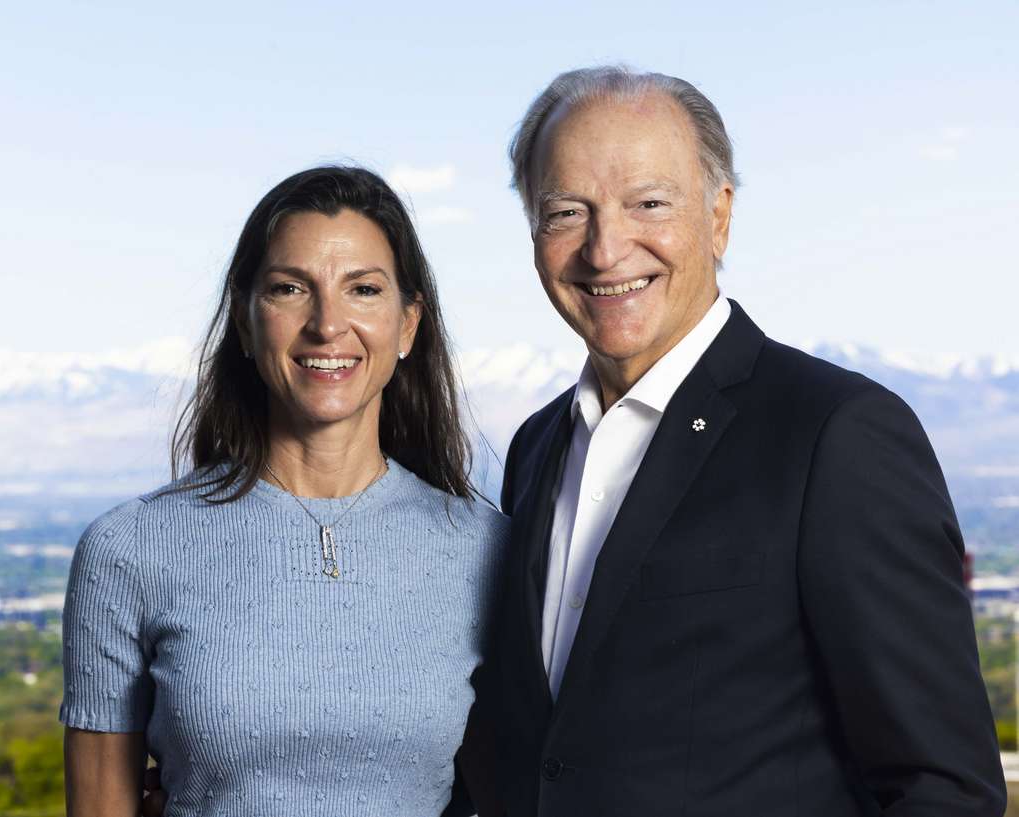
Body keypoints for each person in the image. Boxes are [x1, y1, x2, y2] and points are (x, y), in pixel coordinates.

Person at [484, 65, 1007, 815]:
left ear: (720, 216)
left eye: (649, 203)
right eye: (567, 211)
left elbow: (944, 788)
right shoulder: (536, 446)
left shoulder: (837, 434)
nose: (605, 249)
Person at [60, 165, 508, 816]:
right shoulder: (130, 550)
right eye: (290, 288)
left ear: (408, 324)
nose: (328, 324)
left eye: (363, 289)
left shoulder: (490, 551)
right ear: (244, 319)